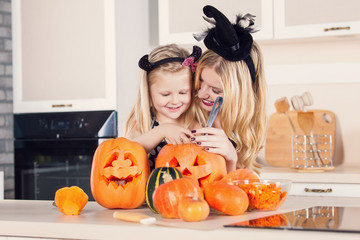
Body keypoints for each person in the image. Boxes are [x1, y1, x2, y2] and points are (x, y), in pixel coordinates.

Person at [190, 6, 267, 174]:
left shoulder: (243, 129)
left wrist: (231, 158)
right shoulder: (189, 116)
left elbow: (231, 194)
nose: (201, 94)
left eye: (215, 90)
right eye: (200, 81)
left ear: (240, 94)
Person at [124, 44, 202, 169]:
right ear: (148, 92)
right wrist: (162, 131)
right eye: (166, 94)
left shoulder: (194, 127)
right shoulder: (142, 124)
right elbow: (126, 154)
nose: (175, 101)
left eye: (183, 93)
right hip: (150, 189)